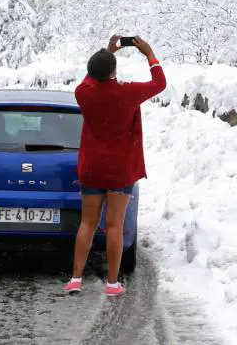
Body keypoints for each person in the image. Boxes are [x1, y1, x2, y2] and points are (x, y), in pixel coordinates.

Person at [64, 35, 166, 297]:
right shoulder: (127, 92)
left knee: (87, 223)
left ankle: (75, 278)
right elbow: (159, 83)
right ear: (113, 71)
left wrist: (108, 52)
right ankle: (112, 283)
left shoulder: (83, 93)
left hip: (92, 168)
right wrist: (149, 53)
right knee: (114, 226)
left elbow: (90, 79)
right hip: (120, 169)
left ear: (91, 72)